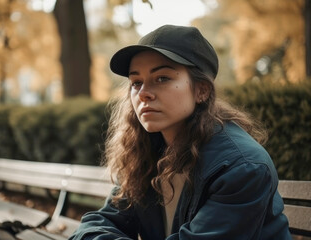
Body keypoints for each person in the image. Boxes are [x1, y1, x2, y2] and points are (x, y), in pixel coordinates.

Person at [69, 25, 291, 240]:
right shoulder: (145, 153)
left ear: (201, 90)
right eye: (136, 82)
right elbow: (99, 222)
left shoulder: (242, 167)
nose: (143, 93)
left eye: (162, 78)